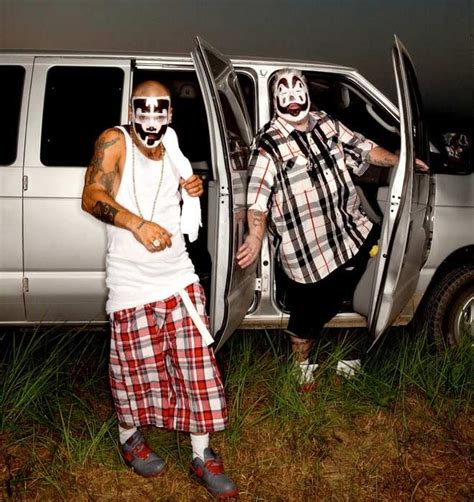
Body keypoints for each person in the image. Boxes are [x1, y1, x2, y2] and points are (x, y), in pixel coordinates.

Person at [82, 80, 238, 499]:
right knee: (133, 373)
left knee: (197, 369)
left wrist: (192, 188)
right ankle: (129, 437)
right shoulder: (115, 140)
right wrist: (137, 225)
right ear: (131, 111)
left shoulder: (172, 145)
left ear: (170, 113)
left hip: (178, 277)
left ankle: (201, 455)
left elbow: (179, 187)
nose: (151, 118)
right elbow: (91, 195)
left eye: (159, 109)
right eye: (142, 108)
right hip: (131, 284)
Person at [237, 68, 428, 385]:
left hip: (351, 232)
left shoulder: (325, 122)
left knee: (360, 292)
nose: (293, 100)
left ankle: (348, 362)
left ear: (307, 92)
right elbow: (258, 199)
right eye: (284, 94)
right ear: (274, 101)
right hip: (309, 253)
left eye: (297, 90)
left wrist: (400, 160)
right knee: (306, 319)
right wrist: (255, 237)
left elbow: (364, 148)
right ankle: (301, 373)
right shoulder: (268, 144)